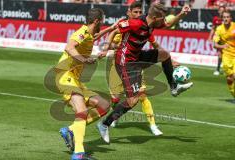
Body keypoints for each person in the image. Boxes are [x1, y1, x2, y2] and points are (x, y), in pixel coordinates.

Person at [97, 3, 193, 143]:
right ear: (155, 17)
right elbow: (113, 32)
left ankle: (174, 87)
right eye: (162, 18)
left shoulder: (152, 23)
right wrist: (105, 49)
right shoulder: (134, 24)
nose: (164, 20)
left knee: (165, 54)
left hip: (137, 56)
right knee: (133, 100)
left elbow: (167, 23)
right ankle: (104, 124)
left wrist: (181, 14)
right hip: (125, 63)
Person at [54, 8, 118, 160]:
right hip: (65, 75)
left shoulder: (89, 35)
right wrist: (84, 60)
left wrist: (110, 28)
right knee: (81, 110)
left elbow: (94, 36)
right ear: (96, 21)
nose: (103, 23)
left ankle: (70, 130)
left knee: (104, 105)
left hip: (74, 79)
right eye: (102, 21)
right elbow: (69, 47)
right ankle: (78, 154)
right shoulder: (81, 32)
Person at [105, 1, 163, 136]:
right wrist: (112, 47)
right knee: (115, 98)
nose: (138, 15)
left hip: (134, 64)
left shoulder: (144, 26)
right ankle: (114, 118)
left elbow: (154, 43)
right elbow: (112, 42)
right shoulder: (123, 25)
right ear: (128, 13)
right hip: (117, 63)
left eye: (139, 12)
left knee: (141, 95)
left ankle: (153, 125)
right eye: (135, 12)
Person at [213, 11, 235, 99]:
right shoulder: (219, 29)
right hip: (227, 56)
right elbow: (215, 45)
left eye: (227, 17)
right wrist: (223, 46)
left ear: (231, 18)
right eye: (224, 17)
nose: (226, 19)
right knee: (230, 79)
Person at [208, 4, 226, 76]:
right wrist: (210, 37)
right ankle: (218, 69)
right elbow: (213, 28)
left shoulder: (226, 19)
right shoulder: (215, 19)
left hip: (225, 39)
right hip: (218, 39)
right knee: (219, 54)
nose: (221, 12)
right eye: (220, 10)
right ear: (218, 11)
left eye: (223, 11)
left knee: (225, 55)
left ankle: (225, 69)